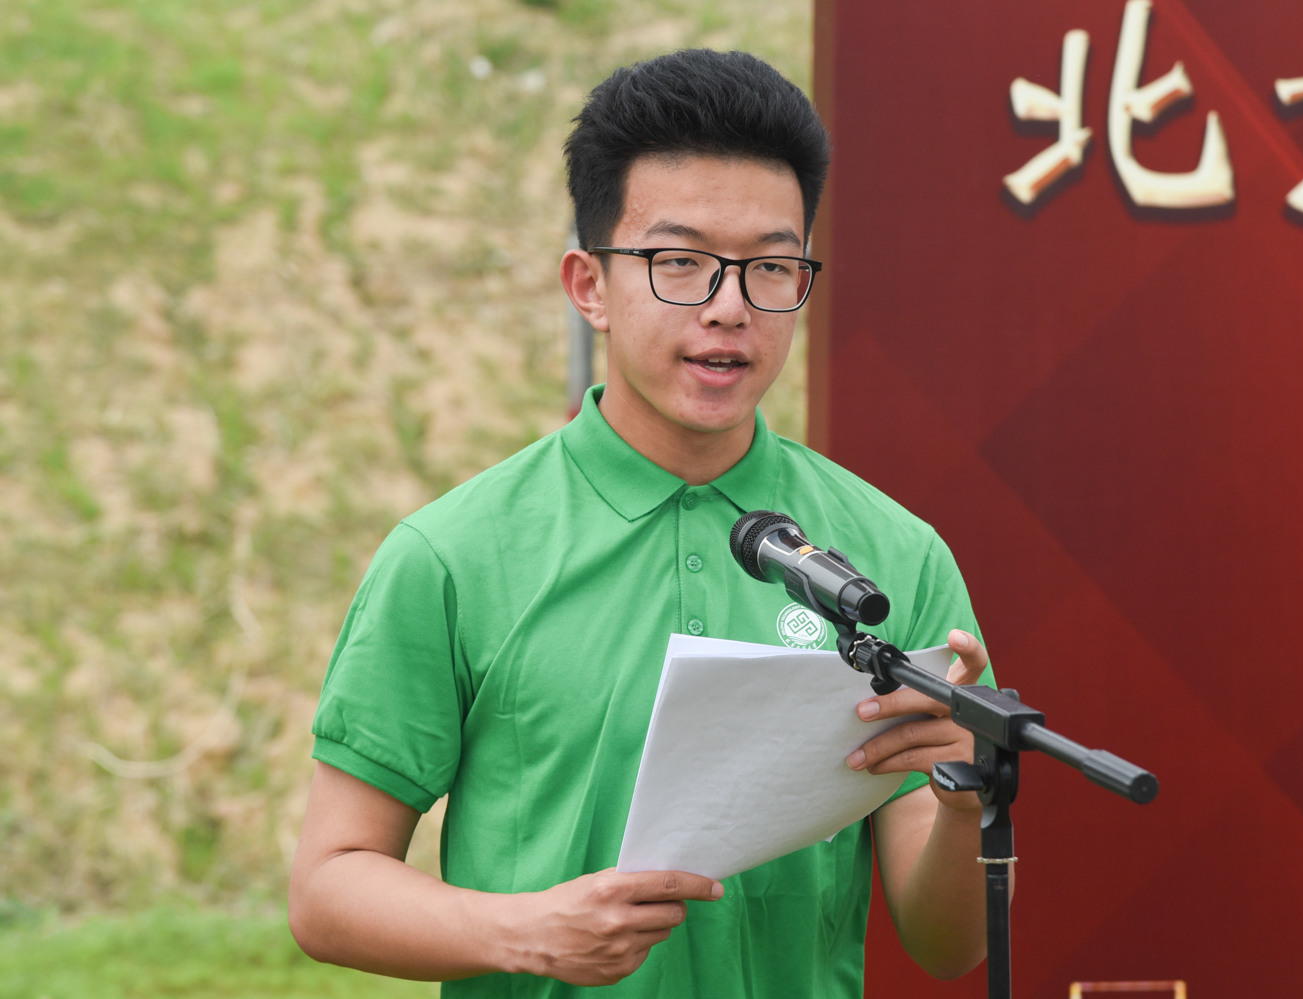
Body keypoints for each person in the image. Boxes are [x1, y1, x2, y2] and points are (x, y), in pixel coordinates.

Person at [289, 48, 995, 998]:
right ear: (590, 286)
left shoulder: (893, 555)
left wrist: (966, 800)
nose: (730, 308)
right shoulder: (453, 556)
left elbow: (950, 946)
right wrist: (523, 932)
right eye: (681, 263)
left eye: (770, 267)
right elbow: (329, 887)